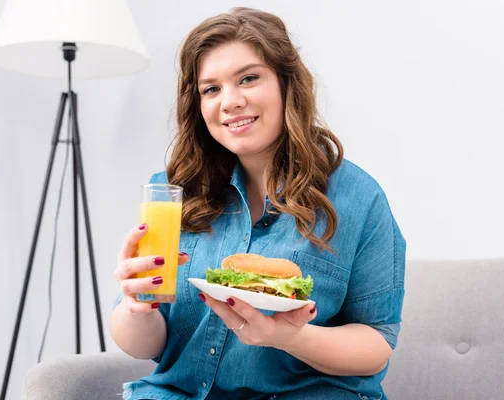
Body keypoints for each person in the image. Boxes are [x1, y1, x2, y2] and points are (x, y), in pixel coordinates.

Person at [110, 7, 406, 400]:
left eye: (248, 78)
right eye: (210, 89)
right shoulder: (171, 194)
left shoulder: (357, 198)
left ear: (287, 84)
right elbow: (144, 346)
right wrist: (136, 305)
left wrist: (291, 338)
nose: (229, 102)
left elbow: (376, 344)